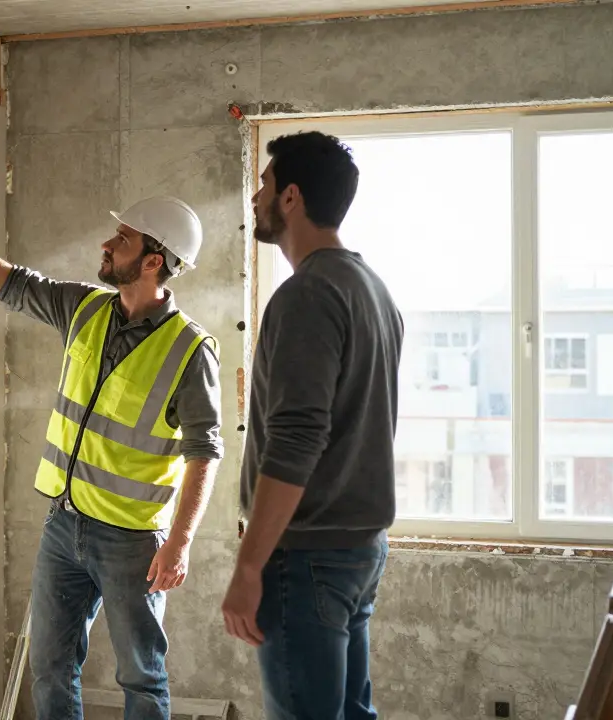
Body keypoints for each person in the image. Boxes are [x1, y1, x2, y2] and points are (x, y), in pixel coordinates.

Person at [0, 190, 224, 719]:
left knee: (142, 678)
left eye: (123, 240)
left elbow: (205, 452)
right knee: (51, 670)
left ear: (153, 261)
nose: (107, 245)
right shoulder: (84, 309)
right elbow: (9, 282)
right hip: (64, 527)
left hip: (133, 540)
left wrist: (178, 543)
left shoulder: (189, 350)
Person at [221, 131, 403, 720]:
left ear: (292, 197)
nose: (256, 197)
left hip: (307, 558)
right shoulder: (372, 289)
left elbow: (298, 440)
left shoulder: (307, 295)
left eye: (265, 185)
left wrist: (249, 566)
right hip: (356, 550)